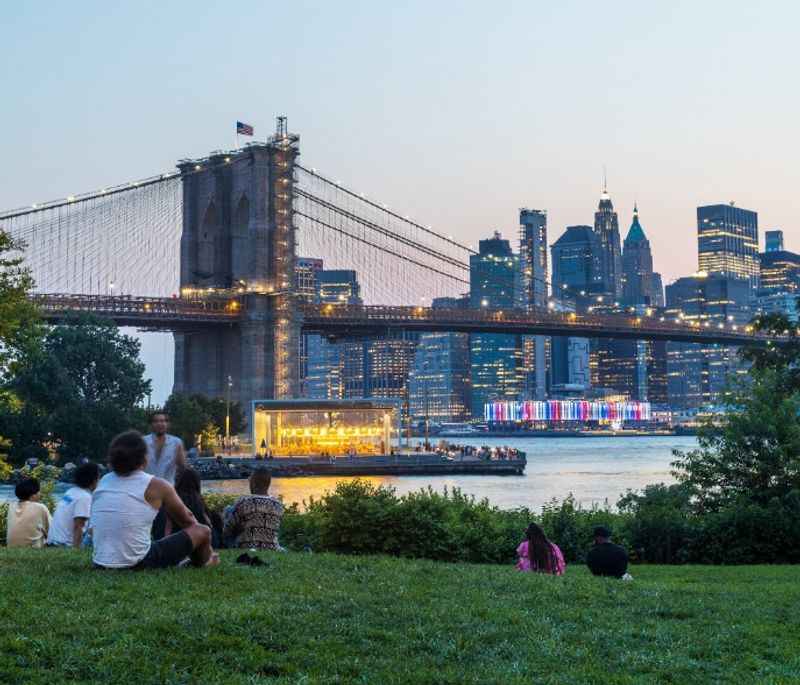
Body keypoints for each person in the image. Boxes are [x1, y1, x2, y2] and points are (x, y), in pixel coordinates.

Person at [92, 430, 218, 570]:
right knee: (202, 530)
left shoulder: (104, 480)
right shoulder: (157, 485)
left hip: (100, 563)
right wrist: (204, 547)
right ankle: (207, 561)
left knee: (157, 542)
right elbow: (187, 520)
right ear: (145, 459)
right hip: (138, 562)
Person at [155, 468, 223, 549]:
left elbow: (168, 526)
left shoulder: (170, 500)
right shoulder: (197, 501)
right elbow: (207, 523)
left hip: (172, 541)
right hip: (198, 542)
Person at [223, 467, 284, 550]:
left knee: (228, 509)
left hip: (246, 546)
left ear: (254, 483)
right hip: (272, 546)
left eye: (249, 480)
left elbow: (227, 530)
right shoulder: (278, 505)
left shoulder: (243, 501)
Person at [47, 462, 100, 548]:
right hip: (65, 545)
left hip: (53, 541)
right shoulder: (84, 497)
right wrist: (75, 551)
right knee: (96, 529)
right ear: (94, 480)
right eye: (98, 478)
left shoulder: (70, 492)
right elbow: (78, 526)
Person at [6, 478, 51, 548]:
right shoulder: (40, 507)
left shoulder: (12, 506)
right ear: (33, 495)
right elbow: (52, 533)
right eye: (39, 491)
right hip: (34, 550)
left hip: (11, 548)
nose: (40, 494)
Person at [143, 412, 186, 486]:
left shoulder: (176, 442)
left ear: (168, 424)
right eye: (156, 421)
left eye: (162, 421)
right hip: (146, 488)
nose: (159, 424)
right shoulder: (143, 442)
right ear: (151, 424)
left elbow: (182, 466)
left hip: (168, 489)